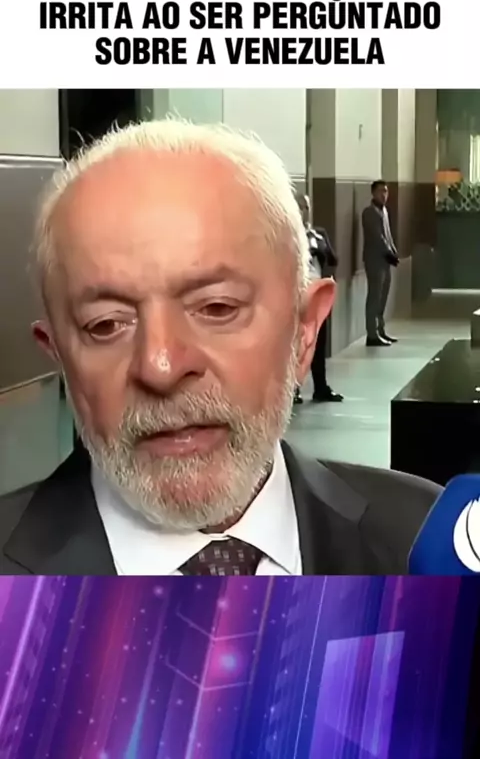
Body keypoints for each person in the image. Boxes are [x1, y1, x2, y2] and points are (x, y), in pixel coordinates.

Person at [0, 120, 440, 576]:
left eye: (216, 308)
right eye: (106, 324)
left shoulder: (431, 541)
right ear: (58, 354)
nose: (161, 367)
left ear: (305, 330)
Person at [294, 193, 343, 404]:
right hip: (299, 294)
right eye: (301, 207)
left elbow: (333, 258)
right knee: (298, 343)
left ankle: (320, 387)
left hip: (318, 292)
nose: (305, 211)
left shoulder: (318, 233)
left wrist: (319, 247)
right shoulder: (289, 234)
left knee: (319, 342)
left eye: (307, 207)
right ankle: (294, 388)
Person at [361, 180, 399, 347]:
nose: (384, 195)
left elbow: (388, 235)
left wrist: (394, 250)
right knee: (374, 297)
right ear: (373, 193)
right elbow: (377, 237)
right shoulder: (369, 213)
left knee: (383, 297)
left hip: (385, 260)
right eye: (380, 191)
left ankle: (380, 329)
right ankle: (372, 334)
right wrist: (388, 252)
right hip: (375, 260)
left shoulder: (384, 211)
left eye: (386, 191)